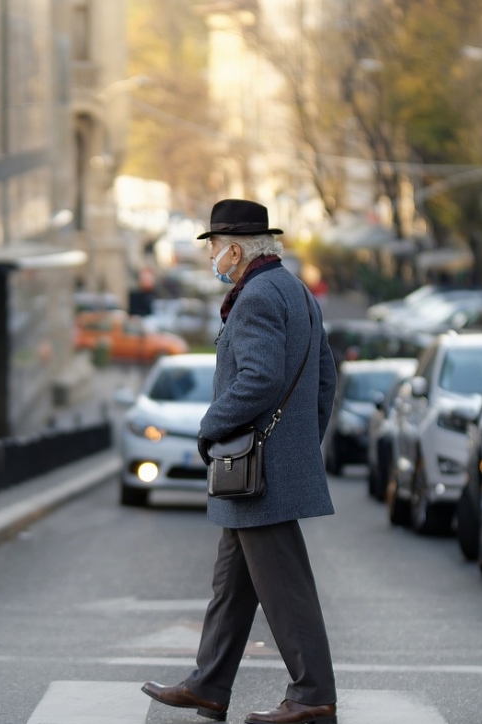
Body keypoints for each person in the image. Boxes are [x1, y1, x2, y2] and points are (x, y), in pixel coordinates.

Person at [141, 199, 338, 724]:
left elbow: (259, 378)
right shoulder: (295, 291)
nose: (214, 258)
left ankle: (313, 696)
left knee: (286, 590)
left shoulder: (254, 297)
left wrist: (211, 427)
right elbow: (325, 379)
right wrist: (301, 444)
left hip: (256, 470)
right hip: (270, 467)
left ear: (234, 247)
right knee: (232, 585)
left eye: (214, 247)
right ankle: (209, 685)